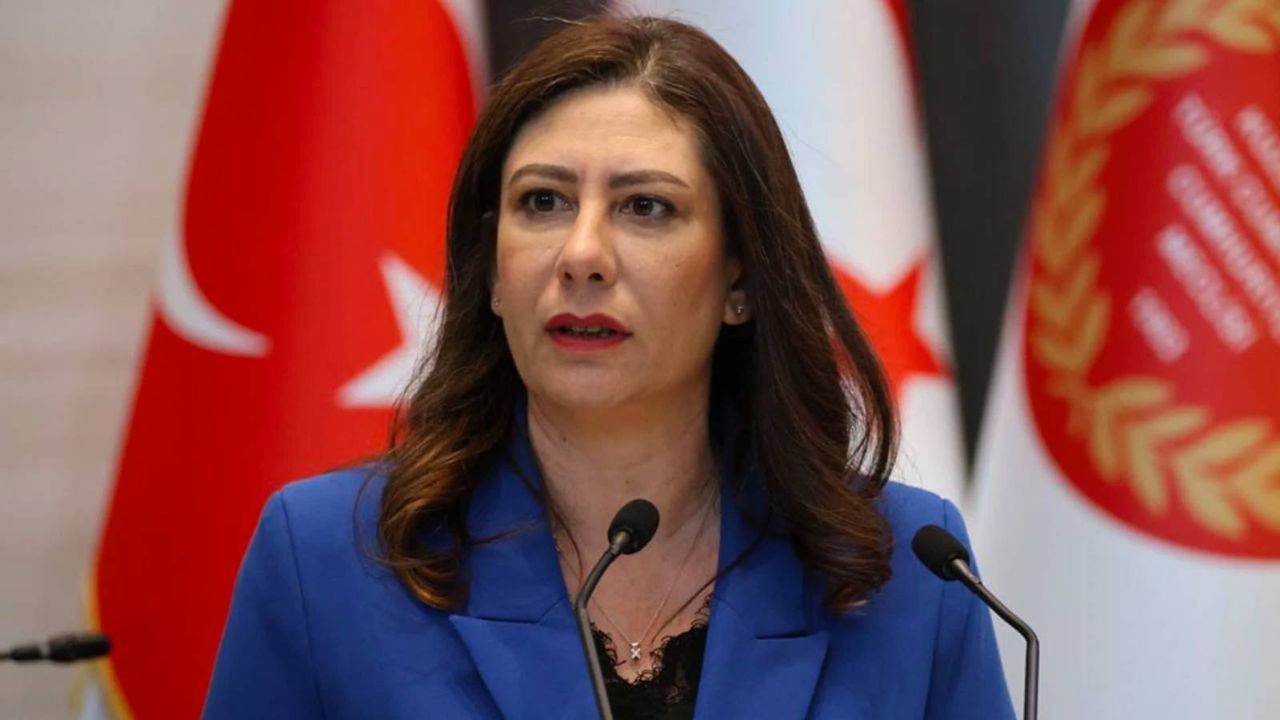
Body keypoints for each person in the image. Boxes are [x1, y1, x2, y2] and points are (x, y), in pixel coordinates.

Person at [203, 15, 1014, 720]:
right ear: (492, 272)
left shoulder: (906, 574)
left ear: (740, 280)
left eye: (645, 207)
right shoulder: (328, 560)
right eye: (543, 202)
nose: (581, 253)